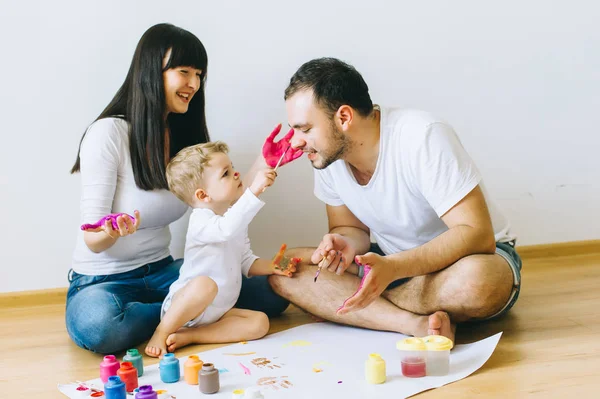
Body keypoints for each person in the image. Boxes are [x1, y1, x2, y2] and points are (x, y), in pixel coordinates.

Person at [66, 23, 300, 354]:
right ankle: (179, 316)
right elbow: (92, 241)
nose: (194, 83)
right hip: (105, 281)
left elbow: (223, 200)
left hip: (166, 272)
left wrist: (267, 161)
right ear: (151, 71)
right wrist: (112, 231)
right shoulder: (108, 134)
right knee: (101, 326)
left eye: (199, 74)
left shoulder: (185, 139)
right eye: (184, 71)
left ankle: (182, 315)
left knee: (272, 291)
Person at [269, 58, 522, 342]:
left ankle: (369, 304)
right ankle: (412, 323)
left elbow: (477, 235)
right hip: (390, 263)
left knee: (478, 282)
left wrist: (394, 269)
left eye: (305, 129)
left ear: (343, 118)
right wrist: (345, 244)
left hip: (467, 259)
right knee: (285, 267)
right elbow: (350, 230)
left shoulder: (422, 135)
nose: (295, 142)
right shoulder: (328, 156)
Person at [144, 142, 299, 357]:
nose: (236, 174)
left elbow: (246, 260)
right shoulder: (201, 221)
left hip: (218, 311)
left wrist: (273, 266)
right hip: (186, 308)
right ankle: (162, 331)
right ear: (203, 196)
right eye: (226, 173)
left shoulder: (232, 219)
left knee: (260, 323)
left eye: (232, 168)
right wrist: (253, 191)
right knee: (205, 285)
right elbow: (225, 230)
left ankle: (192, 335)